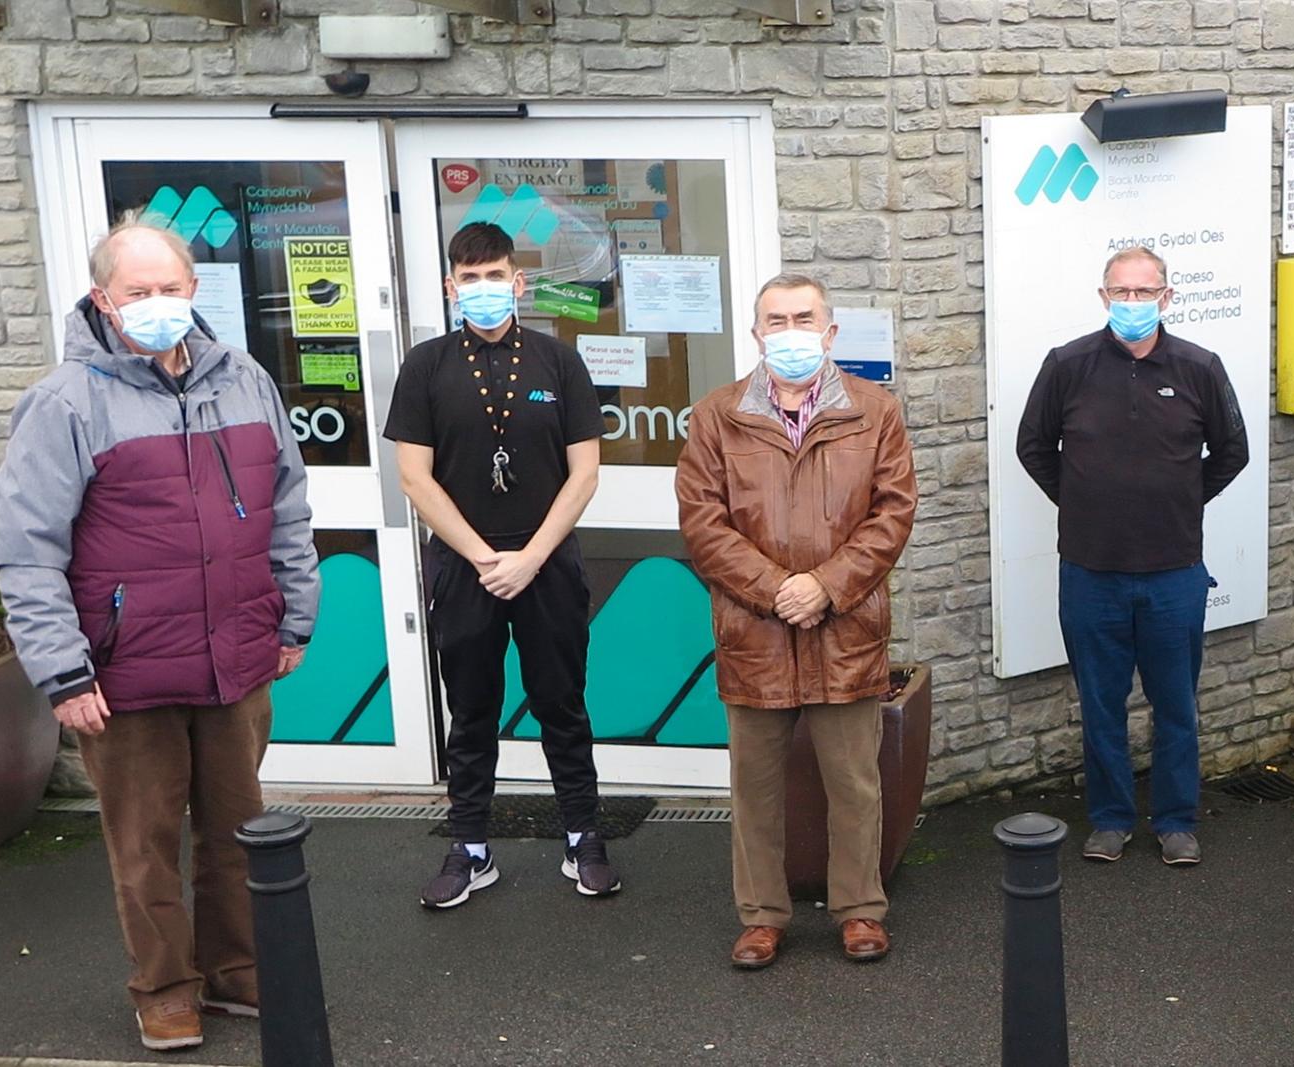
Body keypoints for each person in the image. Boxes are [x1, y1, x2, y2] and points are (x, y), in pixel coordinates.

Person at [0, 220, 319, 1051]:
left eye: (170, 288)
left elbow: (288, 508)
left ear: (194, 289)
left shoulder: (243, 381)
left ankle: (238, 971)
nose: (157, 305)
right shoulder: (65, 402)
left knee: (238, 832)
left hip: (236, 657)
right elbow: (26, 552)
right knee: (144, 846)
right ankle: (166, 987)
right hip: (126, 673)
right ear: (104, 299)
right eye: (138, 293)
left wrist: (295, 614)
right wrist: (64, 673)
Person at [676, 274, 917, 970]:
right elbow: (703, 523)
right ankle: (761, 916)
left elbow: (893, 512)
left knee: (855, 782)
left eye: (802, 318)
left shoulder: (875, 411)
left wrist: (827, 586)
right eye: (775, 321)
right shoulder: (716, 415)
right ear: (756, 335)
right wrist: (780, 588)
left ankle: (861, 910)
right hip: (755, 633)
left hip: (845, 629)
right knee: (755, 790)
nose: (789, 332)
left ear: (830, 330)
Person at [385, 222, 617, 909]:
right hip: (466, 565)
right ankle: (471, 847)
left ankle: (583, 835)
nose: (482, 289)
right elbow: (414, 478)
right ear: (451, 286)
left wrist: (532, 557)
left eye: (495, 276)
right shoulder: (424, 366)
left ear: (518, 282)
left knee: (562, 704)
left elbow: (585, 472)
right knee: (472, 707)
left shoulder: (557, 361)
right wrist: (486, 557)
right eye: (469, 278)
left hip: (546, 560)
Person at [1015, 246, 1250, 867]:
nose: (1133, 304)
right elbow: (1033, 445)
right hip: (1092, 572)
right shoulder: (1068, 365)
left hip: (1175, 572)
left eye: (1145, 293)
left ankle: (1175, 822)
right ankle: (1111, 819)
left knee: (1176, 705)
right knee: (1101, 703)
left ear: (1167, 297)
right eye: (1122, 293)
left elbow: (1232, 451)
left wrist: (1180, 499)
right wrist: (1082, 500)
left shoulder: (1200, 367)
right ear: (1103, 298)